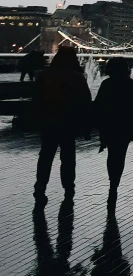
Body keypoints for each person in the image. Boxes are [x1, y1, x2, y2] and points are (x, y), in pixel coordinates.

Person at [32, 46, 92, 209]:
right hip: (68, 123)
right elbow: (86, 102)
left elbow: (36, 100)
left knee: (45, 156)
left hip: (49, 122)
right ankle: (68, 188)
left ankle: (40, 187)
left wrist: (37, 120)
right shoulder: (77, 77)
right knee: (68, 158)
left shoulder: (43, 76)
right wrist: (87, 126)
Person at [94, 57, 133, 211]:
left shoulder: (106, 84)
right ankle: (114, 184)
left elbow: (98, 105)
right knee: (120, 156)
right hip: (125, 126)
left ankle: (111, 180)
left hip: (110, 125)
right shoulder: (131, 84)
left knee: (111, 154)